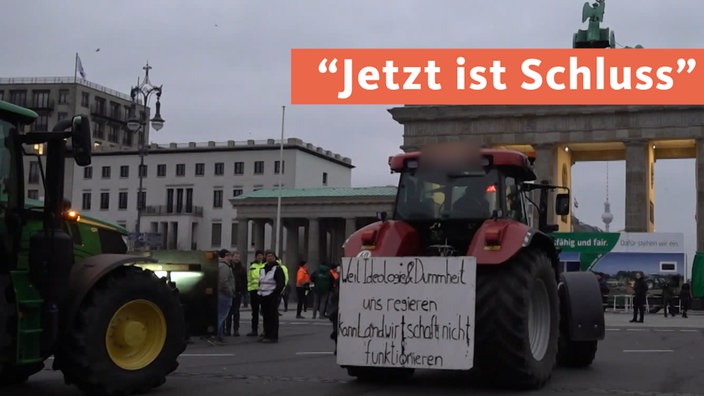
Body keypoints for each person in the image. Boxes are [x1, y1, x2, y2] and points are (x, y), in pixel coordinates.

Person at [258, 250, 285, 343]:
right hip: (263, 295)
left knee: (272, 317)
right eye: (268, 256)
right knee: (266, 317)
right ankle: (267, 334)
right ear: (265, 257)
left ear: (274, 257)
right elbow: (261, 282)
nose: (270, 258)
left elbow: (281, 283)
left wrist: (275, 294)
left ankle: (273, 336)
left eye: (271, 256)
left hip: (272, 296)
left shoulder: (277, 269)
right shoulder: (263, 269)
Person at [214, 249, 235, 344]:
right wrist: (230, 292)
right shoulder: (224, 267)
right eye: (229, 255)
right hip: (224, 294)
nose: (231, 257)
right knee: (221, 316)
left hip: (220, 293)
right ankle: (216, 336)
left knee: (220, 316)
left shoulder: (219, 265)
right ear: (225, 256)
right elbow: (223, 282)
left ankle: (220, 336)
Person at [225, 250, 247, 336]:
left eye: (238, 257)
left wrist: (244, 291)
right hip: (229, 292)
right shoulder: (229, 267)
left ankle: (236, 329)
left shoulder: (242, 268)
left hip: (238, 292)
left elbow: (244, 281)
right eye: (235, 257)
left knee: (236, 311)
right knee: (228, 312)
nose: (237, 258)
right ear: (232, 257)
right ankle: (228, 329)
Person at [246, 250, 265, 337]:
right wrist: (249, 289)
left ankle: (265, 330)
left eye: (261, 255)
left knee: (265, 311)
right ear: (256, 257)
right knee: (255, 312)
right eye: (258, 256)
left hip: (264, 291)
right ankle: (254, 330)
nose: (259, 257)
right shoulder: (252, 266)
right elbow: (249, 279)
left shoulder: (265, 265)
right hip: (254, 291)